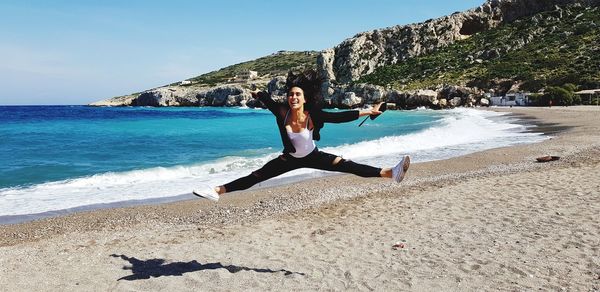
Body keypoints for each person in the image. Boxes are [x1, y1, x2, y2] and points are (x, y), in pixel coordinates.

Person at [193, 70, 410, 201]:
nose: (293, 97)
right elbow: (267, 99)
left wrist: (369, 111)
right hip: (288, 160)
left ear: (305, 98)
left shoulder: (313, 114)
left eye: (298, 94)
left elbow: (341, 116)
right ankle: (215, 191)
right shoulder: (282, 112)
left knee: (348, 165)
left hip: (314, 156)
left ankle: (392, 173)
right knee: (255, 177)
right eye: (291, 94)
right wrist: (257, 93)